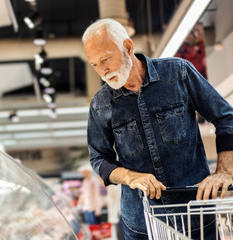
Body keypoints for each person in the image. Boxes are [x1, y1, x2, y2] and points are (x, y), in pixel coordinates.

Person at [82, 18, 233, 239]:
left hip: (195, 215)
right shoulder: (100, 105)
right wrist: (129, 177)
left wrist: (224, 172)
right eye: (94, 64)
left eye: (106, 59)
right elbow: (99, 159)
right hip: (142, 224)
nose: (102, 71)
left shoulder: (178, 74)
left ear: (128, 47)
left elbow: (226, 117)